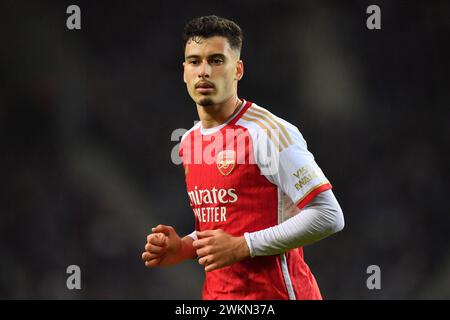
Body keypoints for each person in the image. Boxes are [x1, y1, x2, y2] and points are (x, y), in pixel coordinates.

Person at [142, 15, 344, 300]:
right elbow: (225, 227)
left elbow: (329, 215)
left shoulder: (269, 132)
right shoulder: (189, 141)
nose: (203, 72)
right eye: (194, 61)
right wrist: (185, 247)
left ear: (237, 70)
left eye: (215, 60)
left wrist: (244, 246)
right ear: (184, 71)